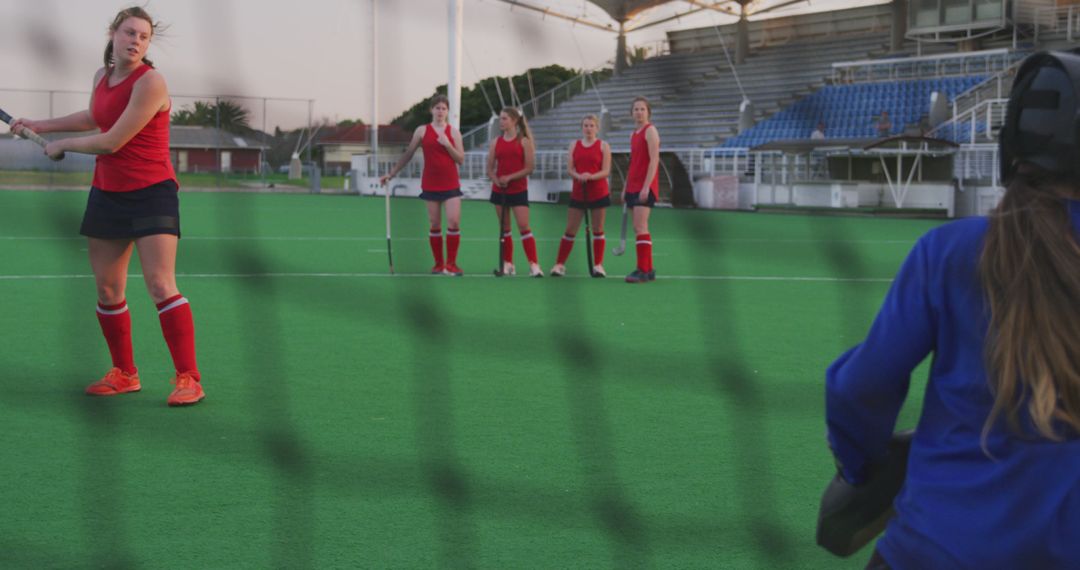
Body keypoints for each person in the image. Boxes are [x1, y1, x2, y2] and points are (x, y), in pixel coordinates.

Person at [825, 50, 1080, 570]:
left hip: (933, 548)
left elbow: (862, 387)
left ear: (1013, 142)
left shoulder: (951, 250)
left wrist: (862, 470)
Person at [9, 7, 203, 405]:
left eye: (144, 36)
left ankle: (188, 378)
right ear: (113, 33)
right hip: (108, 192)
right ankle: (125, 374)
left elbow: (112, 139)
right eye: (130, 32)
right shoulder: (102, 77)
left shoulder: (151, 83)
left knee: (160, 284)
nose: (136, 41)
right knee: (108, 288)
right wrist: (42, 125)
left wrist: (63, 146)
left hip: (152, 191)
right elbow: (93, 116)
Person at [381, 95, 466, 275]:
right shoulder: (421, 131)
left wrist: (448, 145)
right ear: (431, 110)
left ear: (448, 111)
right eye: (437, 108)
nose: (440, 111)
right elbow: (408, 153)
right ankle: (438, 264)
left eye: (444, 108)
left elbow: (461, 159)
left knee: (454, 221)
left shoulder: (454, 132)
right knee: (435, 224)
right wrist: (392, 173)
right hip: (431, 183)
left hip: (450, 183)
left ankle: (451, 264)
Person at [550, 114, 612, 277]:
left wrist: (590, 176)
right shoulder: (574, 145)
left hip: (598, 192)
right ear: (582, 127)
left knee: (598, 229)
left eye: (592, 126)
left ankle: (598, 265)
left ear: (597, 128)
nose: (588, 128)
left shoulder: (603, 146)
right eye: (585, 125)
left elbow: (606, 171)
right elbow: (570, 169)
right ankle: (559, 264)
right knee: (570, 229)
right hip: (579, 193)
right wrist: (578, 175)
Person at [486, 106, 541, 277]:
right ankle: (508, 264)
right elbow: (489, 169)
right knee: (505, 228)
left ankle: (534, 265)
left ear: (514, 121)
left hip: (518, 190)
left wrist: (509, 178)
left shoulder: (524, 141)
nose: (501, 122)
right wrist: (497, 180)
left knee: (524, 227)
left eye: (504, 119)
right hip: (499, 191)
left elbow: (529, 167)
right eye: (500, 118)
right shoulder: (496, 142)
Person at [622, 96, 660, 283]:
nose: (638, 112)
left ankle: (642, 270)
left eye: (642, 109)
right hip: (633, 185)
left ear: (648, 112)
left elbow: (654, 160)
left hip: (645, 186)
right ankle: (649, 269)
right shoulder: (633, 134)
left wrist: (646, 186)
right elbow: (633, 163)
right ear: (631, 113)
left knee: (640, 226)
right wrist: (625, 186)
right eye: (635, 109)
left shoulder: (650, 131)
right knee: (638, 227)